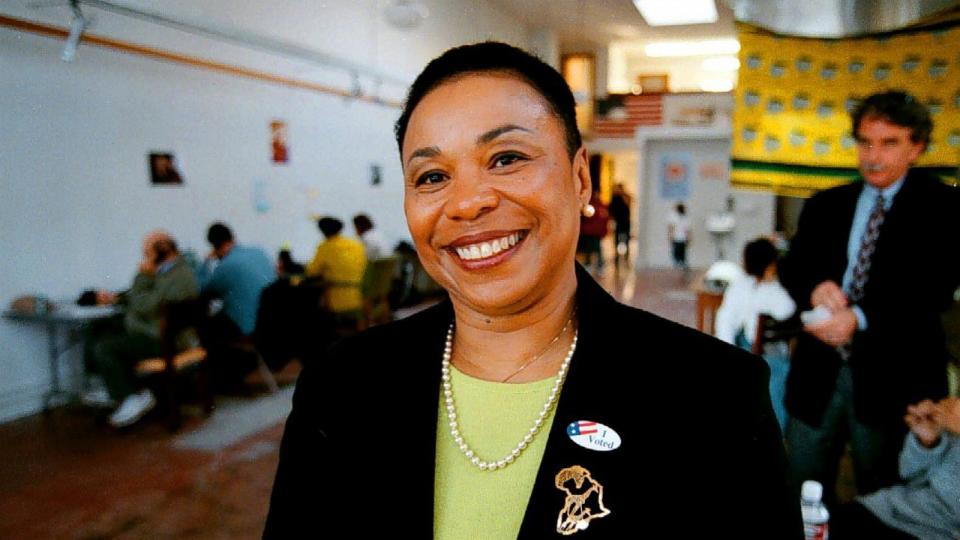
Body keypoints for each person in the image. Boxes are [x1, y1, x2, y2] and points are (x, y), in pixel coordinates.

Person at [264, 42, 801, 538]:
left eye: (506, 159)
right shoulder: (342, 386)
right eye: (431, 176)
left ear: (580, 178)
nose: (467, 202)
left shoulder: (713, 398)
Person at [778, 90, 960, 506]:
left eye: (889, 142)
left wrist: (859, 317)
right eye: (865, 142)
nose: (872, 155)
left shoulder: (946, 209)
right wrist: (813, 286)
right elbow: (793, 266)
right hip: (817, 378)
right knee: (800, 487)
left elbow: (933, 286)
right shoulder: (827, 204)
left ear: (916, 147)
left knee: (882, 495)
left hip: (896, 380)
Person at [82, 231, 198, 427]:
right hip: (153, 329)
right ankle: (109, 385)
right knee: (97, 326)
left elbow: (147, 305)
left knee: (106, 347)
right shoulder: (169, 270)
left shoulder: (179, 275)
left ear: (161, 250)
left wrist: (142, 275)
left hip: (164, 338)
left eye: (147, 253)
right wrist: (117, 298)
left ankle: (132, 396)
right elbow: (146, 296)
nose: (145, 258)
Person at [830, 397, 960, 540]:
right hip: (892, 509)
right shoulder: (953, 415)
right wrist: (927, 442)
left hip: (935, 532)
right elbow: (910, 476)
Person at [715, 237, 797, 432]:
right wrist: (773, 284)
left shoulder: (738, 287)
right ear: (771, 266)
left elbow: (726, 320)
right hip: (771, 356)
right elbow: (788, 309)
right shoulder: (775, 291)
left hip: (745, 349)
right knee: (778, 382)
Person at [196, 222, 275, 387]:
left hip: (252, 325)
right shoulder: (258, 252)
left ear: (214, 246)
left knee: (204, 330)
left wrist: (204, 264)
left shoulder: (225, 267)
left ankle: (224, 380)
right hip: (274, 317)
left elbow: (202, 289)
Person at [305, 216, 367, 314]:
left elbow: (311, 272)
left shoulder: (325, 246)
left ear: (322, 231)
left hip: (338, 297)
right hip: (361, 295)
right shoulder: (356, 244)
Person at [575, 190, 609, 273]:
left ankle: (598, 265)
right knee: (589, 249)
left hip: (595, 232)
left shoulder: (601, 206)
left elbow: (604, 219)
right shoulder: (590, 205)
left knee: (597, 249)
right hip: (589, 231)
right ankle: (590, 264)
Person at [609, 183, 632, 266]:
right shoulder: (614, 198)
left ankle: (626, 258)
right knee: (616, 240)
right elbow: (611, 210)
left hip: (625, 222)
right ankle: (617, 257)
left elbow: (629, 203)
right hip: (618, 222)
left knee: (626, 240)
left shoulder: (626, 197)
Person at [667, 202, 690, 273]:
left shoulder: (684, 218)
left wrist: (670, 236)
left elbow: (687, 229)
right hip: (678, 237)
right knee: (678, 252)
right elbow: (671, 227)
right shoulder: (676, 217)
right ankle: (679, 264)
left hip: (680, 237)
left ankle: (682, 264)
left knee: (681, 252)